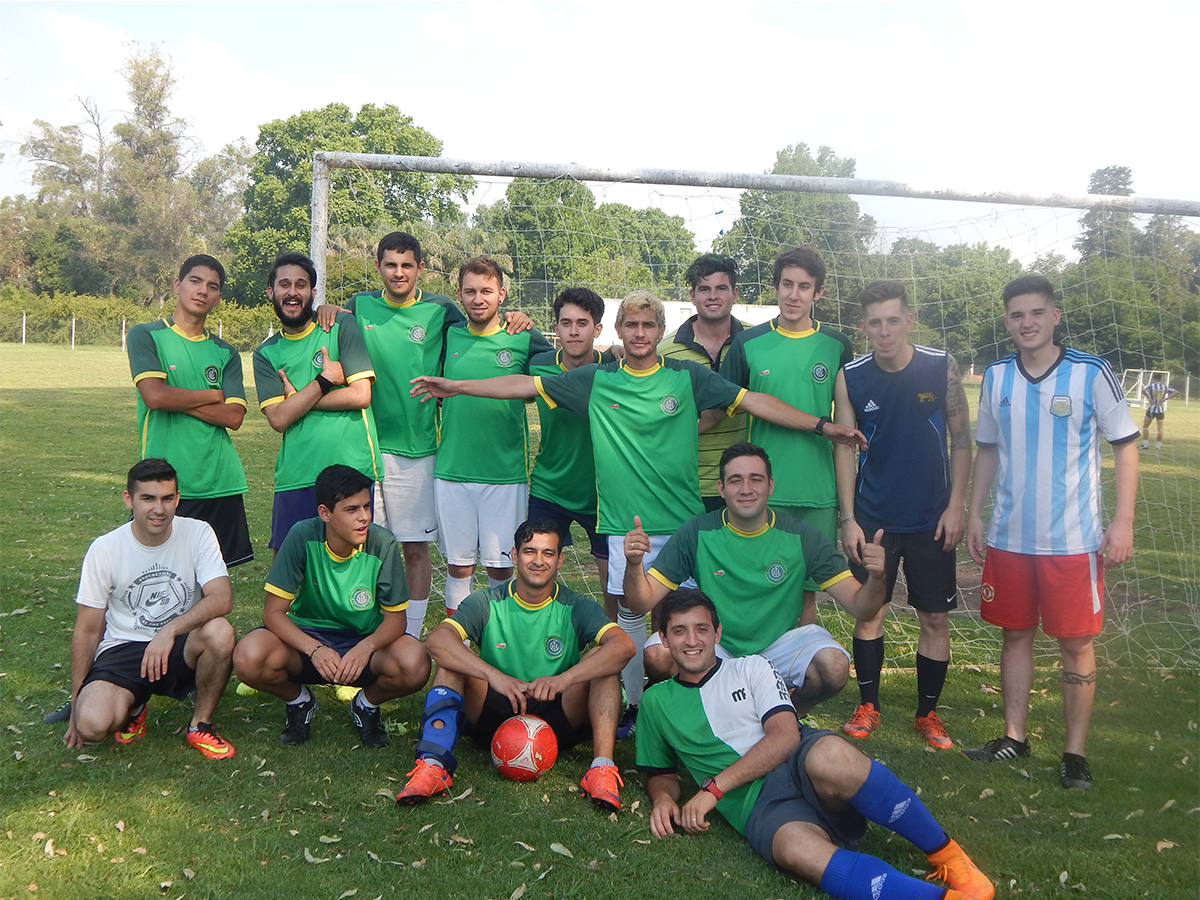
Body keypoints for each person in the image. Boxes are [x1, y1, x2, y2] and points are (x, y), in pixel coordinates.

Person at [410, 291, 866, 738]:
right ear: (619, 330)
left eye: (649, 325)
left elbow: (752, 402)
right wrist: (457, 386)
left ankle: (704, 704)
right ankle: (634, 707)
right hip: (624, 527)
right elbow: (523, 385)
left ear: (661, 330)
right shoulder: (597, 379)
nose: (641, 333)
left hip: (683, 525)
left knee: (686, 622)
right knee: (629, 617)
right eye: (632, 325)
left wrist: (822, 425)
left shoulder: (687, 376)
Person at [637, 591, 994, 900]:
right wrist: (664, 798)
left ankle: (947, 855)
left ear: (717, 633)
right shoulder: (655, 702)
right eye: (679, 631)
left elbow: (785, 736)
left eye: (701, 629)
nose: (692, 640)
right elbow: (660, 772)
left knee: (833, 755)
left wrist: (713, 790)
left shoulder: (752, 667)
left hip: (798, 761)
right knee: (795, 851)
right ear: (664, 639)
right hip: (758, 805)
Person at [965, 275, 1138, 791]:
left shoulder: (1090, 372)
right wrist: (974, 514)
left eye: (1037, 312)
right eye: (1017, 315)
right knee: (1014, 635)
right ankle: (1014, 737)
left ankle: (1074, 754)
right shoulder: (996, 377)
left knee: (1075, 645)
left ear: (1055, 315)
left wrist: (1123, 521)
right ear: (1007, 322)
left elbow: (1125, 445)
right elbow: (987, 450)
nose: (1028, 323)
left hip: (1074, 542)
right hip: (1010, 538)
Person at [316, 233, 532, 637]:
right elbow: (324, 329)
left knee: (415, 550)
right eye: (390, 264)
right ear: (378, 266)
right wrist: (326, 308)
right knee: (360, 548)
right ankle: (359, 633)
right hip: (363, 447)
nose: (398, 272)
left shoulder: (441, 310)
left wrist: (515, 316)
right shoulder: (359, 305)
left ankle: (412, 637)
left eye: (406, 265)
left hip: (418, 452)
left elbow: (482, 325)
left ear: (420, 268)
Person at [623, 443, 887, 716]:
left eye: (756, 479)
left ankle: (789, 714)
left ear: (770, 486)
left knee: (833, 666)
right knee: (657, 655)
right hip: (717, 643)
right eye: (735, 480)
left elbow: (862, 608)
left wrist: (877, 578)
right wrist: (634, 564)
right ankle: (692, 714)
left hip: (779, 646)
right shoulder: (697, 532)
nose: (746, 489)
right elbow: (641, 603)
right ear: (721, 488)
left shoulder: (801, 536)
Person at [394, 519, 636, 810]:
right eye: (529, 551)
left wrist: (564, 679)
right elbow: (437, 641)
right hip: (496, 706)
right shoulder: (487, 601)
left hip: (558, 706)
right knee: (452, 662)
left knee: (605, 663)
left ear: (560, 560)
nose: (538, 560)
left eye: (548, 553)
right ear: (514, 555)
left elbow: (624, 646)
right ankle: (433, 764)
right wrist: (494, 676)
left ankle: (602, 769)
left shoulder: (576, 605)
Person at [835, 281, 972, 749]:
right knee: (869, 611)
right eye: (875, 322)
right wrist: (848, 518)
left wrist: (956, 506)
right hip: (873, 519)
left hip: (932, 517)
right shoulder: (851, 375)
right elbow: (844, 448)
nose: (885, 330)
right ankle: (868, 705)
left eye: (893, 320)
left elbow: (962, 440)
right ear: (863, 327)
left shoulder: (940, 366)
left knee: (934, 618)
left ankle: (927, 714)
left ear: (909, 321)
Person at [232, 465, 430, 748]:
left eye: (366, 506)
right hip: (307, 640)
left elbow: (396, 620)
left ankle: (366, 705)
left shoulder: (381, 543)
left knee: (415, 663)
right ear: (325, 513)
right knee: (248, 657)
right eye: (351, 510)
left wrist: (365, 648)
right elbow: (273, 613)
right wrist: (315, 649)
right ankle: (299, 701)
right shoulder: (302, 535)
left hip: (362, 640)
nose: (364, 517)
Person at [64, 459, 236, 759]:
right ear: (128, 499)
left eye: (167, 498)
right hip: (124, 647)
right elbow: (87, 630)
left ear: (178, 498)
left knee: (220, 631)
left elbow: (222, 598)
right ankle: (135, 705)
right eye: (148, 499)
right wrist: (76, 702)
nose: (159, 509)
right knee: (91, 726)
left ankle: (200, 724)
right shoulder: (105, 549)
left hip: (179, 645)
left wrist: (169, 631)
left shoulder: (198, 532)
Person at [721, 246, 854, 625]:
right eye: (787, 285)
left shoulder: (836, 345)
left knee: (805, 598)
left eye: (804, 287)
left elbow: (846, 426)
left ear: (818, 292)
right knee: (757, 591)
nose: (794, 295)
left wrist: (848, 513)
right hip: (761, 491)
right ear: (775, 287)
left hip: (817, 492)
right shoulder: (748, 344)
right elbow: (719, 407)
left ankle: (801, 664)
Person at [433, 256, 553, 611]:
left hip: (504, 475)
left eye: (486, 291)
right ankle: (460, 637)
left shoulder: (523, 336)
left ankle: (498, 636)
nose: (478, 299)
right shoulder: (447, 334)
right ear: (459, 294)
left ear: (502, 294)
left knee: (501, 568)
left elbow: (563, 367)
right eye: (470, 291)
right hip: (452, 471)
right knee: (459, 567)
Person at [126, 254, 252, 568]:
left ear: (218, 298)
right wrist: (212, 395)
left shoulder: (226, 353)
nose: (202, 290)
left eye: (212, 286)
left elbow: (234, 417)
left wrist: (177, 399)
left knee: (214, 579)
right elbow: (155, 396)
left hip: (220, 481)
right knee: (157, 572)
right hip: (162, 482)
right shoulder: (146, 335)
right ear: (177, 285)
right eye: (195, 281)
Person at [254, 252, 382, 551]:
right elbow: (278, 419)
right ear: (271, 292)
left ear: (312, 293)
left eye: (301, 285)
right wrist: (324, 381)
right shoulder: (265, 353)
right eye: (284, 284)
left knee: (352, 565)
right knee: (290, 564)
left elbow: (360, 395)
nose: (292, 292)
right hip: (296, 474)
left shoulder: (340, 326)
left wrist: (297, 400)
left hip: (352, 471)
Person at [528, 288, 612, 590]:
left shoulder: (614, 368)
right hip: (550, 489)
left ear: (597, 329)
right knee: (535, 572)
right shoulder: (537, 364)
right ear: (556, 327)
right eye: (566, 323)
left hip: (603, 494)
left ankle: (612, 624)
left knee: (613, 583)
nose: (573, 331)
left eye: (582, 323)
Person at [658, 254, 748, 511]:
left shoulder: (756, 342)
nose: (713, 296)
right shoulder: (665, 351)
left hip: (744, 485)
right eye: (704, 289)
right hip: (685, 483)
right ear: (692, 295)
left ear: (734, 294)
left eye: (721, 288)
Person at [1140, 379, 1181, 450]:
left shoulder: (1151, 385)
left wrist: (1149, 398)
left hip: (1151, 409)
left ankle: (1145, 444)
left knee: (1145, 427)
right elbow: (1176, 392)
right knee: (1160, 429)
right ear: (1160, 379)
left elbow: (1143, 390)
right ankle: (1158, 446)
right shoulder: (1164, 387)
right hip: (1160, 410)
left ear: (1154, 379)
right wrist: (1166, 399)